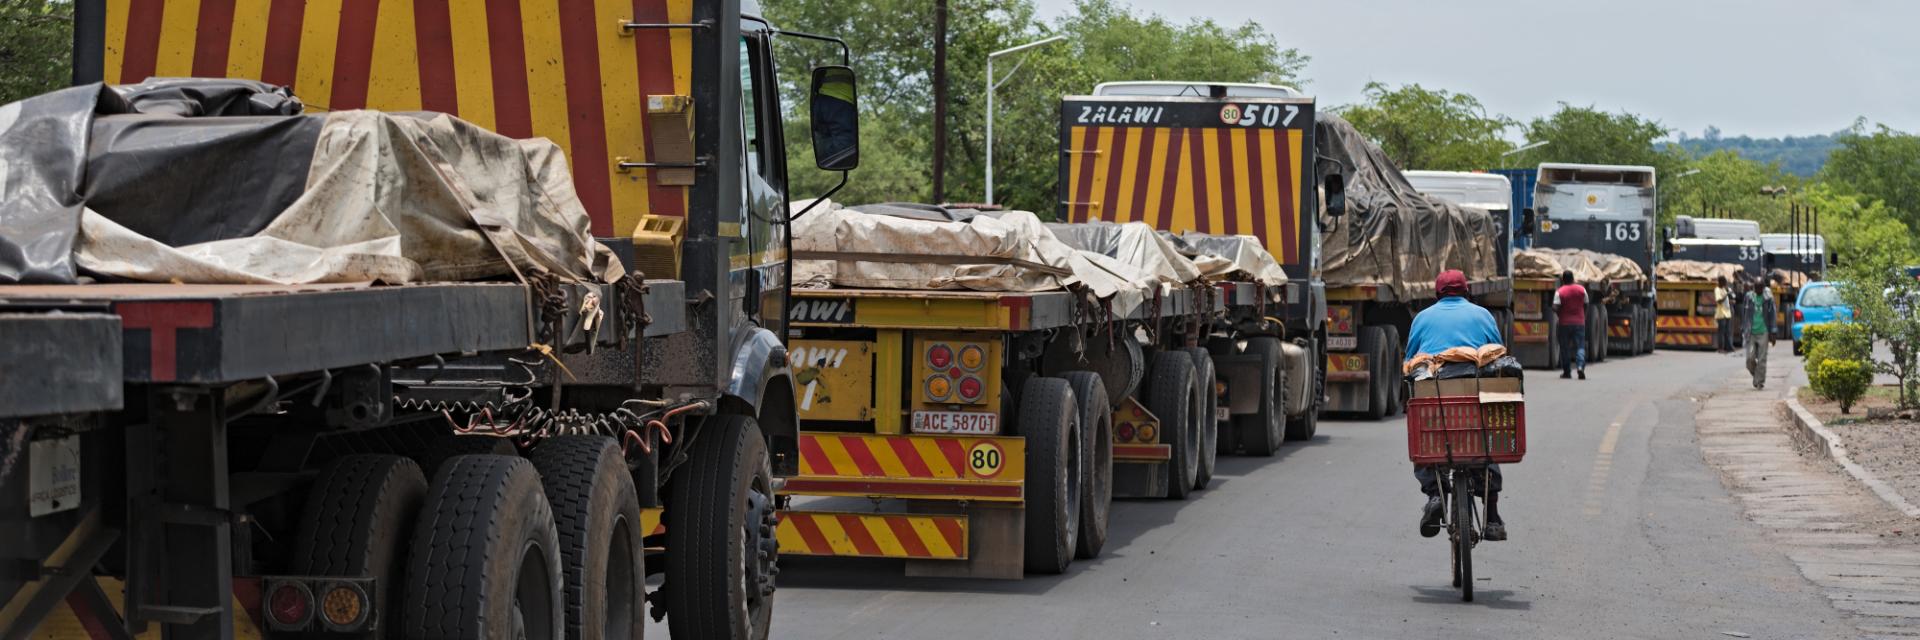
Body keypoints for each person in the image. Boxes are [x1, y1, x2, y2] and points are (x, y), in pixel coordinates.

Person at [1405, 270, 1509, 541]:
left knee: (1425, 441)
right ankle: (1493, 515)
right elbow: (1497, 353)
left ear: (1437, 294)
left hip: (1436, 395)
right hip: (1474, 398)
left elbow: (1410, 360)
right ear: (1466, 292)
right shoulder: (1483, 315)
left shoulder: (1422, 318)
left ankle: (1434, 495)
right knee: (1487, 444)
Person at [1552, 270, 1588, 380]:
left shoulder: (1560, 291)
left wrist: (1557, 311)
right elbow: (1586, 304)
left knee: (1565, 348)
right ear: (1573, 278)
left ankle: (1567, 372)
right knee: (1580, 346)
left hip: (1564, 324)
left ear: (1563, 280)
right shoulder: (1582, 290)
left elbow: (1555, 307)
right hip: (1579, 323)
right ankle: (1580, 366)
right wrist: (1583, 316)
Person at [1746, 275, 1775, 389]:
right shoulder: (1749, 297)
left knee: (1762, 359)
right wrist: (1744, 328)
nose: (1758, 290)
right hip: (1751, 333)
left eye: (1760, 288)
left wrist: (1773, 332)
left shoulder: (1768, 298)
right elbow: (1745, 314)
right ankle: (1756, 375)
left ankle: (1760, 381)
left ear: (1763, 288)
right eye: (1756, 287)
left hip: (1764, 332)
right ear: (1754, 287)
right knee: (1750, 359)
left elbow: (1772, 315)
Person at [1713, 277, 1733, 353]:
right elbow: (1719, 301)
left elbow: (1725, 301)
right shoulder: (1717, 290)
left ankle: (1728, 347)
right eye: (1724, 282)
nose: (1725, 283)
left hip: (1727, 314)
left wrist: (1731, 301)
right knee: (1721, 332)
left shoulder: (1724, 289)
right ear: (1720, 282)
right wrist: (1727, 294)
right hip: (1721, 314)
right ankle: (1720, 348)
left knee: (1727, 332)